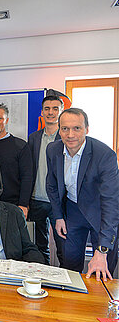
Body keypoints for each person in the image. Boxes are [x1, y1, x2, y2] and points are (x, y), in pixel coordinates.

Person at [47, 108, 119, 281]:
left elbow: (111, 202)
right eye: (65, 129)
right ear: (59, 129)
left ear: (87, 129)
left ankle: (101, 306)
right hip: (72, 211)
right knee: (70, 266)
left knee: (102, 269)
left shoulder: (105, 155)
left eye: (76, 128)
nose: (70, 134)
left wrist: (102, 249)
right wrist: (58, 216)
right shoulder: (53, 150)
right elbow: (52, 186)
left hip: (100, 213)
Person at [27, 95, 63, 265]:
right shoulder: (33, 138)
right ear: (42, 112)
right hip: (37, 200)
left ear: (61, 112)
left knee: (64, 246)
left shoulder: (66, 138)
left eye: (55, 108)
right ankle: (43, 281)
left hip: (59, 202)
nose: (51, 112)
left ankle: (66, 286)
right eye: (47, 109)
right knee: (40, 247)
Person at [0, 103, 32, 218]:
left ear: (7, 120)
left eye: (0, 118)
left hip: (14, 205)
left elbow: (27, 177)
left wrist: (23, 204)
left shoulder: (20, 146)